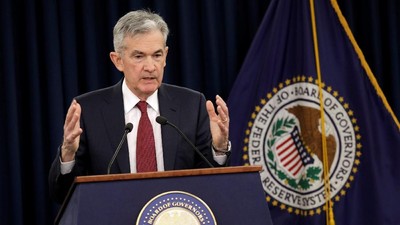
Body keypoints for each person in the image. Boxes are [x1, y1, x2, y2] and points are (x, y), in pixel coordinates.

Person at [48, 9, 231, 204]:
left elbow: (212, 185)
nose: (150, 66)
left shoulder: (192, 105)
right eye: (139, 56)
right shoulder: (89, 110)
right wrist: (67, 153)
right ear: (117, 60)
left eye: (157, 55)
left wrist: (219, 150)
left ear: (166, 56)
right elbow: (62, 194)